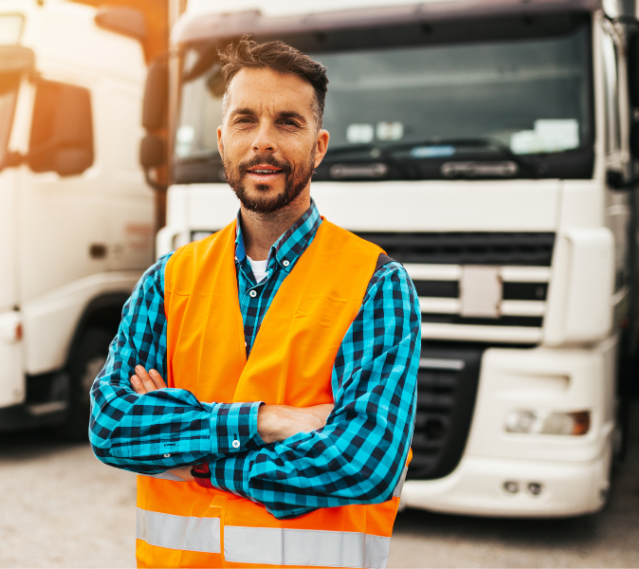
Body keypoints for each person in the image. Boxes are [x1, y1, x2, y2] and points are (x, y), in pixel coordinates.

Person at [89, 37, 419, 569]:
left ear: (319, 145)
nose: (263, 142)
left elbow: (365, 460)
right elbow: (112, 426)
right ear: (222, 140)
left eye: (288, 122)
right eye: (246, 120)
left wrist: (195, 458)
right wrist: (268, 422)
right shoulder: (167, 282)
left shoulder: (376, 285)